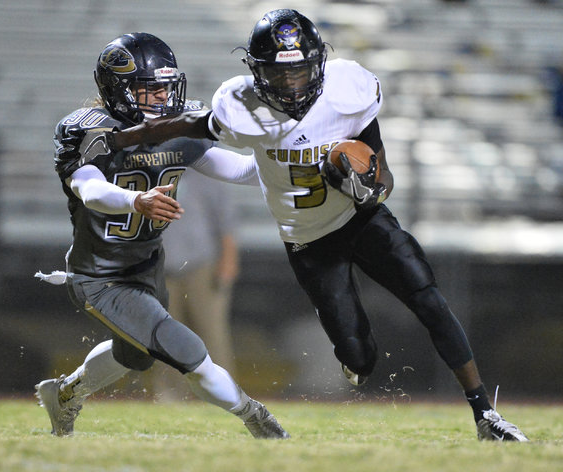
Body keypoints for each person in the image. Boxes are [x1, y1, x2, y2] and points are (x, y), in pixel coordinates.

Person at [94, 10, 529, 442]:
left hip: (359, 218)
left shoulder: (347, 90)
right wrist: (125, 136)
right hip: (308, 241)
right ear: (257, 72)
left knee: (428, 298)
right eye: (280, 75)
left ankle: (484, 414)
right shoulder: (241, 106)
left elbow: (384, 176)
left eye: (301, 72)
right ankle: (355, 358)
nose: (292, 84)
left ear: (318, 63)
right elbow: (195, 124)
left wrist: (368, 188)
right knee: (360, 358)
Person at [33, 32, 288, 440]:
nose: (161, 99)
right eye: (148, 90)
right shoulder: (89, 131)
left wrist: (296, 162)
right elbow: (90, 189)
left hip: (149, 266)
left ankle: (64, 395)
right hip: (101, 275)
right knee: (188, 351)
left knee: (133, 356)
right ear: (117, 89)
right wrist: (136, 201)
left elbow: (239, 170)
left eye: (166, 88)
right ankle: (260, 423)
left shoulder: (177, 127)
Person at [154, 169, 239, 400]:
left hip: (202, 265)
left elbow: (226, 223)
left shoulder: (206, 175)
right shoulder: (154, 173)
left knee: (211, 333)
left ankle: (224, 394)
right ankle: (170, 394)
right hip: (163, 267)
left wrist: (228, 261)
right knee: (165, 335)